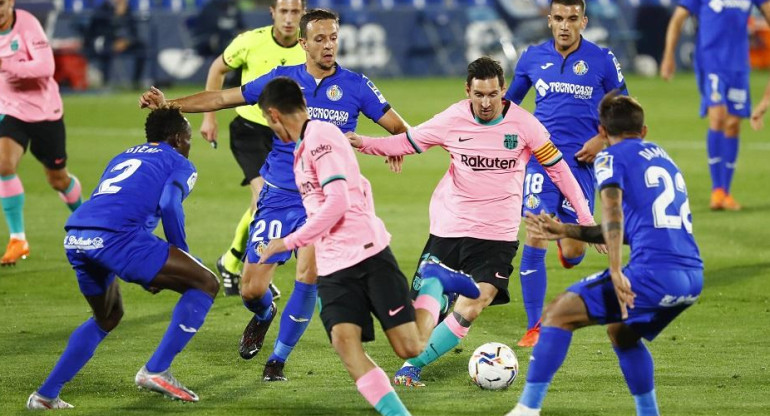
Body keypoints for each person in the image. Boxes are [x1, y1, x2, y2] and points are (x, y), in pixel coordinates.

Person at [139, 8, 409, 382]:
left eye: (333, 37)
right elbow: (222, 99)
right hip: (278, 195)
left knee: (308, 273)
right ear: (303, 43)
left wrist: (381, 145)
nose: (328, 45)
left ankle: (278, 360)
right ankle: (264, 313)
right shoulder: (282, 83)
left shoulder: (356, 86)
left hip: (322, 201)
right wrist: (170, 105)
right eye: (319, 38)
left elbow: (400, 129)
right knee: (252, 288)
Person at [346, 56, 594, 387]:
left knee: (477, 302)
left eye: (493, 94)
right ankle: (441, 296)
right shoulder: (453, 118)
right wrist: (364, 143)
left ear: (503, 91)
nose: (486, 102)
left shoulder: (525, 125)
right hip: (450, 226)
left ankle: (411, 367)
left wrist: (586, 218)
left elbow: (559, 171)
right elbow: (409, 142)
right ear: (468, 91)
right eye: (479, 95)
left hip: (496, 234)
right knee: (415, 322)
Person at [256, 76, 480, 416]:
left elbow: (337, 202)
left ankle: (435, 281)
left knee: (411, 346)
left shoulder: (320, 137)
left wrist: (286, 242)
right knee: (346, 346)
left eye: (269, 122)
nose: (272, 130)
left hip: (366, 254)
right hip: (333, 264)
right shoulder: (303, 148)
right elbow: (356, 188)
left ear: (274, 114)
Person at [505, 92, 704, 416]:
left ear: (601, 131)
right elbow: (632, 228)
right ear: (644, 131)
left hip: (652, 274)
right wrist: (566, 230)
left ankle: (526, 410)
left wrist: (615, 269)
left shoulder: (610, 157)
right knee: (622, 333)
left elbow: (612, 210)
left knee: (558, 313)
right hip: (691, 279)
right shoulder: (664, 158)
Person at [26, 105, 219, 409]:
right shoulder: (180, 162)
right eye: (188, 138)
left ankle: (45, 396)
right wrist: (180, 254)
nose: (189, 145)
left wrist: (154, 267)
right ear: (178, 139)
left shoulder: (123, 155)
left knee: (107, 316)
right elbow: (170, 204)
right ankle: (156, 370)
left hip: (77, 235)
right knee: (206, 283)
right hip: (117, 238)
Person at [505, 0, 625, 348]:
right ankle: (534, 327)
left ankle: (568, 247)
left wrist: (601, 139)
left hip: (580, 165)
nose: (564, 26)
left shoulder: (602, 60)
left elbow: (624, 107)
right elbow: (509, 106)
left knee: (575, 250)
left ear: (583, 21)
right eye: (558, 18)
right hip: (540, 160)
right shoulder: (531, 58)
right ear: (549, 20)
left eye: (572, 19)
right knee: (536, 232)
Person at [199, 0, 306, 298]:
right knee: (263, 196)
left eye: (294, 12)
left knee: (266, 201)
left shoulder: (305, 49)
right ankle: (251, 262)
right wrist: (209, 117)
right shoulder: (249, 42)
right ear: (272, 12)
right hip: (248, 130)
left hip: (284, 135)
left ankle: (230, 261)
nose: (288, 18)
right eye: (283, 11)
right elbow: (217, 68)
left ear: (302, 15)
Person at [661, 0, 770, 210]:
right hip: (710, 62)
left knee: (733, 124)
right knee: (718, 117)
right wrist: (668, 56)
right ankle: (717, 190)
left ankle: (725, 192)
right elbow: (677, 20)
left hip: (738, 65)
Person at [0, 0, 83, 266]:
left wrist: (8, 66)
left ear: (11, 3)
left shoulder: (26, 24)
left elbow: (46, 68)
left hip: (45, 112)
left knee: (58, 179)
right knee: (3, 165)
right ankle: (17, 238)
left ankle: (86, 221)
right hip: (11, 110)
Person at [83, 0, 147, 89]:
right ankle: (106, 82)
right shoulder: (103, 8)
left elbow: (134, 31)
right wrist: (116, 15)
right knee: (107, 49)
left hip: (123, 42)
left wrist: (127, 41)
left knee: (142, 48)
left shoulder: (127, 9)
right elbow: (97, 31)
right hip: (104, 40)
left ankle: (136, 82)